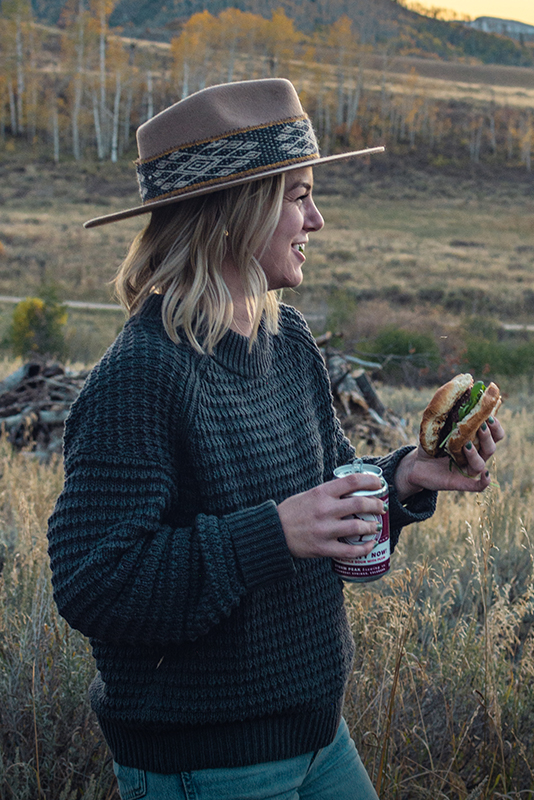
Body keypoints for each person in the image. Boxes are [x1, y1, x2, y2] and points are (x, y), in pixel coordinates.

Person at [47, 79, 504, 800]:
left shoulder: (286, 339)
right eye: (297, 196)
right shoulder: (141, 375)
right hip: (208, 761)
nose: (316, 219)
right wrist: (273, 534)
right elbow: (94, 583)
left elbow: (325, 501)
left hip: (318, 734)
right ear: (233, 214)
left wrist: (408, 478)